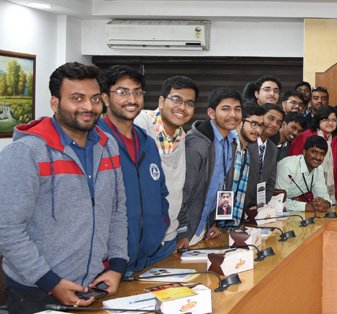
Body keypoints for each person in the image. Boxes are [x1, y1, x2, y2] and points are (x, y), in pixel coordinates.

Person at [0, 62, 128, 311]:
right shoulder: (26, 153)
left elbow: (117, 210)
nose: (88, 107)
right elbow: (7, 229)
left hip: (94, 286)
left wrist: (117, 265)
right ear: (55, 103)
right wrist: (51, 282)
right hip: (37, 291)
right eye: (77, 98)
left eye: (94, 99)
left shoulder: (108, 145)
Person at [97, 65, 169, 276]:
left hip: (146, 258)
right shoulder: (94, 141)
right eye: (122, 92)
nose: (132, 99)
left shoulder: (147, 142)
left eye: (137, 92)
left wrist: (159, 226)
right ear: (105, 98)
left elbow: (161, 192)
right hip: (106, 265)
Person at [134, 75, 198, 257]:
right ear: (161, 101)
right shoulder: (141, 125)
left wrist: (181, 230)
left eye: (189, 103)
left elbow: (178, 188)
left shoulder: (182, 136)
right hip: (141, 238)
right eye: (176, 100)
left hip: (169, 236)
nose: (182, 108)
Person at [178, 87, 242, 248]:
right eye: (226, 109)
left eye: (237, 109)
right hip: (187, 230)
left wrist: (218, 222)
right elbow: (182, 191)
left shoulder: (231, 142)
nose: (233, 114)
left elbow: (224, 186)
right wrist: (181, 232)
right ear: (211, 113)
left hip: (206, 228)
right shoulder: (198, 143)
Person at [289, 105, 337, 203]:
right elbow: (294, 165)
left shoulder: (336, 141)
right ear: (318, 120)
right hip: (304, 194)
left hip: (329, 195)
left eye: (334, 120)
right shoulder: (305, 136)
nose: (330, 123)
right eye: (326, 119)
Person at [276, 135, 333, 212]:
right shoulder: (288, 166)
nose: (318, 157)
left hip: (289, 210)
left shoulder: (318, 169)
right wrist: (305, 206)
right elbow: (277, 200)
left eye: (322, 154)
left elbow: (323, 195)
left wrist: (326, 204)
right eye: (314, 152)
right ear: (304, 152)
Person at [238, 105, 278, 214]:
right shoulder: (234, 147)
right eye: (254, 124)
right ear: (240, 122)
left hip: (253, 210)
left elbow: (270, 182)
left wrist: (261, 205)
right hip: (229, 209)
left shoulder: (273, 149)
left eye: (260, 126)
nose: (258, 130)